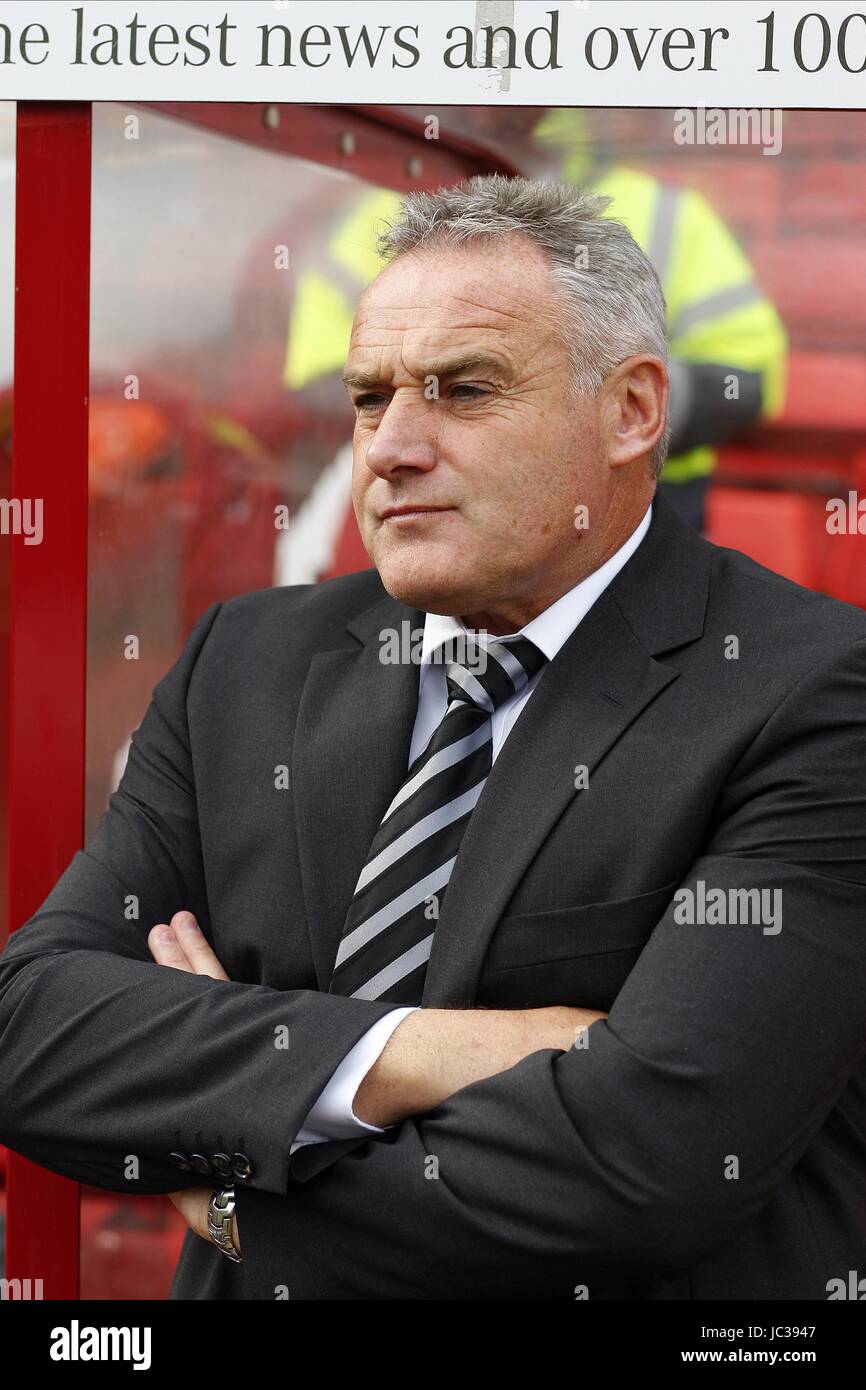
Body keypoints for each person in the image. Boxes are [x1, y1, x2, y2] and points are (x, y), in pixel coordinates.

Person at [1, 176, 864, 1301]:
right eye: (368, 399)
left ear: (632, 411)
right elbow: (32, 1030)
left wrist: (229, 1189)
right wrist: (430, 1050)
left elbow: (643, 1164)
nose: (391, 448)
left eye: (463, 390)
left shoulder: (810, 692)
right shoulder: (243, 663)